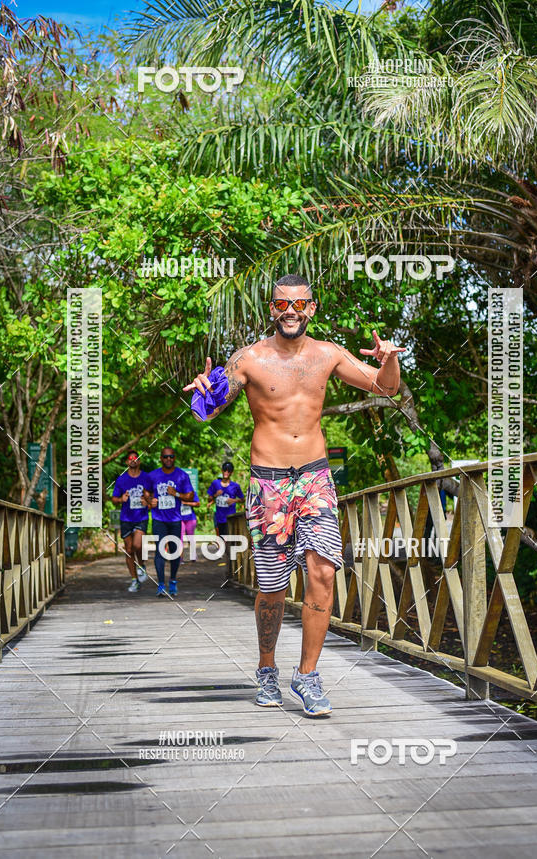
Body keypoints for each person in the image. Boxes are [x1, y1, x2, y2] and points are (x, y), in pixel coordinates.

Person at [184, 274, 404, 717]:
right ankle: (267, 668)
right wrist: (203, 393)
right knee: (272, 588)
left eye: (299, 305)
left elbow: (386, 387)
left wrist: (389, 360)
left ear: (312, 308)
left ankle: (307, 675)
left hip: (315, 480)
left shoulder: (328, 355)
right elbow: (207, 411)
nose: (291, 312)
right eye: (283, 304)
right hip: (268, 485)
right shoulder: (248, 359)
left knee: (323, 572)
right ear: (271, 309)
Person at [148, 448, 194, 597]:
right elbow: (145, 493)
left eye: (171, 456)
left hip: (175, 519)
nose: (168, 459)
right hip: (158, 519)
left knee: (175, 552)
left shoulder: (181, 475)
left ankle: (173, 581)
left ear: (174, 458)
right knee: (160, 550)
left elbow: (190, 496)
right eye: (166, 457)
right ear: (161, 458)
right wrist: (150, 501)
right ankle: (161, 584)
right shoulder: (153, 475)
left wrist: (177, 494)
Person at [111, 451, 152, 592]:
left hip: (141, 517)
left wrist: (146, 500)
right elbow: (114, 499)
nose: (133, 460)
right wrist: (121, 499)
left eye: (136, 458)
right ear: (127, 462)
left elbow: (153, 497)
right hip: (126, 518)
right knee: (128, 550)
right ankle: (134, 580)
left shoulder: (146, 477)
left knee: (137, 545)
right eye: (130, 458)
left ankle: (141, 565)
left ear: (139, 461)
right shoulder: (122, 480)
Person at [207, 461, 245, 537]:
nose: (226, 472)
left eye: (229, 470)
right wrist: (215, 495)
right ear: (222, 470)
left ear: (232, 472)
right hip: (219, 517)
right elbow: (209, 499)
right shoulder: (215, 483)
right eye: (225, 470)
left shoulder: (235, 486)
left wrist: (234, 500)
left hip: (230, 518)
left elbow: (243, 499)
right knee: (221, 539)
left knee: (229, 540)